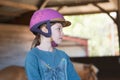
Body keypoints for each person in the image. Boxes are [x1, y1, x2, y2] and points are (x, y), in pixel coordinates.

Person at [25, 8, 81, 80]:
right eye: (59, 29)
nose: (63, 33)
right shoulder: (33, 56)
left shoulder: (63, 56)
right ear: (45, 29)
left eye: (62, 29)